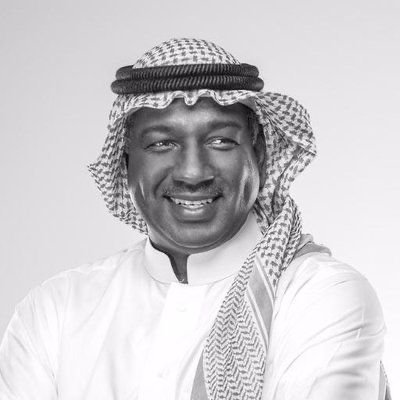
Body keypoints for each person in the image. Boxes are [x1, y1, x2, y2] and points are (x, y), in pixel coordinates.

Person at [0, 38, 389, 400]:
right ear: (125, 162)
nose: (192, 172)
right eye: (162, 143)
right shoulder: (55, 310)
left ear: (259, 155)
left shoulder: (321, 295)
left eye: (220, 141)